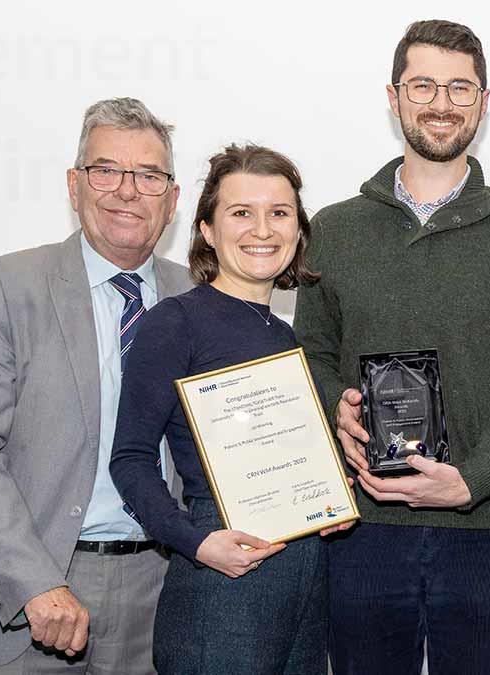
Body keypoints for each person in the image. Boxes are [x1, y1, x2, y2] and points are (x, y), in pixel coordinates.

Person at [292, 19, 490, 675]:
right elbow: (311, 355)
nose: (442, 103)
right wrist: (339, 408)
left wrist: (469, 482)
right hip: (363, 525)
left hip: (488, 528)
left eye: (460, 88)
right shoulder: (332, 227)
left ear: (484, 101)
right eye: (423, 85)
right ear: (393, 97)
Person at [0, 98, 192, 673]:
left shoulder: (200, 298)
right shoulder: (6, 285)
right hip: (29, 599)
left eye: (149, 175)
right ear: (74, 186)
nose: (127, 191)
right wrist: (34, 583)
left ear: (173, 200)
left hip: (163, 599)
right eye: (106, 170)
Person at [107, 144, 339, 673]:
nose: (262, 229)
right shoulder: (175, 322)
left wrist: (330, 497)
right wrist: (197, 541)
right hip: (222, 577)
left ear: (298, 230)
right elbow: (131, 459)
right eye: (241, 213)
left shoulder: (286, 335)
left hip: (305, 580)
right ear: (208, 229)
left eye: (279, 213)